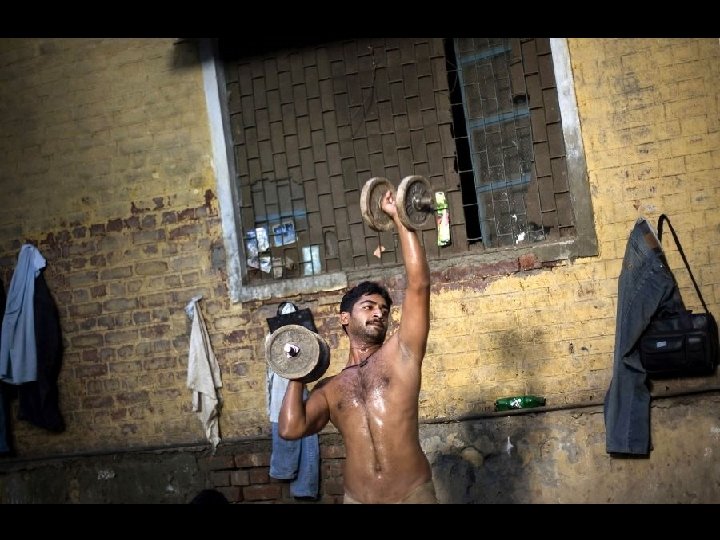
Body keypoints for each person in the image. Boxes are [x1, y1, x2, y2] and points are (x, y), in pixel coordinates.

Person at [278, 188, 436, 504]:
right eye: (368, 306)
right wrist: (298, 371)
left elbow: (418, 284)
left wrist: (399, 217)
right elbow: (291, 429)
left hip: (412, 493)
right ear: (345, 318)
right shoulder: (329, 389)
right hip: (358, 498)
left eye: (384, 310)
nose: (379, 313)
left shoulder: (401, 354)